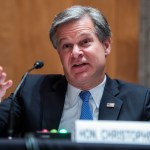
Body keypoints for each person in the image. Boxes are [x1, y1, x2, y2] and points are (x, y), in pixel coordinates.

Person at [0, 5, 150, 138]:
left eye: (85, 42)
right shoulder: (31, 91)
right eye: (66, 46)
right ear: (59, 52)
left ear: (106, 45)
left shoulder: (139, 101)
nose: (76, 52)